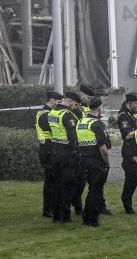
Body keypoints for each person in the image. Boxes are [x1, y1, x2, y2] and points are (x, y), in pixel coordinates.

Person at [77, 96, 111, 227]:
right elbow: (103, 148)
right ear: (98, 108)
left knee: (92, 189)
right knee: (96, 191)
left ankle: (86, 217)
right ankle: (92, 219)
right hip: (96, 161)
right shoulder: (96, 124)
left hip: (84, 160)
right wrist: (107, 163)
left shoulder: (81, 122)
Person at [47, 91, 81, 222]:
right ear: (70, 101)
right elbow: (73, 137)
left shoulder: (52, 112)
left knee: (57, 185)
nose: (75, 107)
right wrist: (77, 152)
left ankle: (56, 215)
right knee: (68, 185)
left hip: (55, 152)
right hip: (67, 154)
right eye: (75, 104)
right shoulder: (68, 115)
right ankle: (65, 216)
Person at [35, 90, 62, 218]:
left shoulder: (45, 112)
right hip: (48, 150)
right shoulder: (45, 115)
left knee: (53, 180)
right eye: (57, 101)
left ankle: (51, 208)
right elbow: (53, 130)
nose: (58, 103)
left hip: (48, 149)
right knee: (50, 182)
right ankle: (48, 209)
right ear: (52, 100)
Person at [117, 91, 137, 214]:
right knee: (132, 180)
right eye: (135, 103)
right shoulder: (123, 116)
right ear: (128, 103)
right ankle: (127, 204)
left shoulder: (135, 114)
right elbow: (127, 135)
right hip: (129, 151)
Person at [73, 83, 96, 215]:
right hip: (81, 148)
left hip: (90, 148)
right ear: (82, 95)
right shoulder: (78, 109)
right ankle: (77, 204)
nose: (90, 100)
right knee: (80, 180)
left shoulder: (88, 108)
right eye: (89, 97)